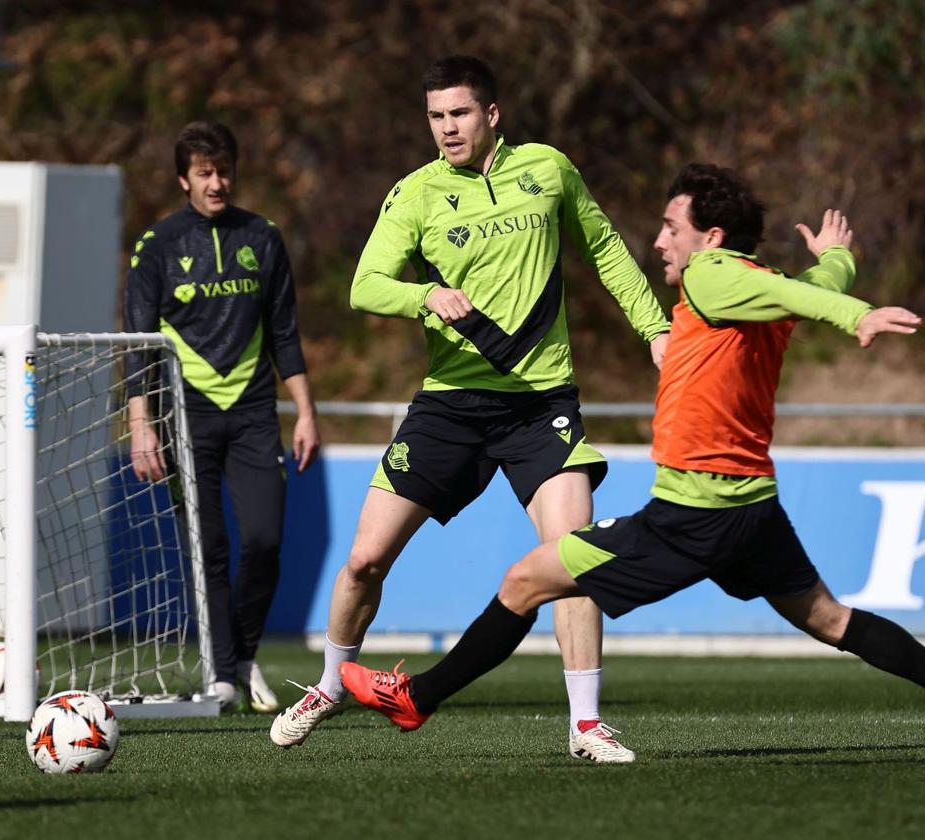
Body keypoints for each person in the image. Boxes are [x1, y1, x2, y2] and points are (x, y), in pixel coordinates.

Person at [339, 164, 925, 740]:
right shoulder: (762, 291)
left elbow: (815, 299)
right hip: (752, 507)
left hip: (691, 514)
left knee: (524, 579)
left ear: (712, 238)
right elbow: (811, 289)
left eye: (672, 228)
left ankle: (416, 698)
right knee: (831, 620)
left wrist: (856, 316)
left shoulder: (712, 275)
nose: (659, 242)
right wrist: (838, 259)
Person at [270, 55, 669, 762]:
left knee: (572, 557)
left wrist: (655, 328)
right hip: (451, 407)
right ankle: (331, 684)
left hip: (540, 403)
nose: (446, 129)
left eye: (458, 114)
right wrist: (424, 295)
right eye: (435, 116)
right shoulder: (417, 194)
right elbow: (366, 285)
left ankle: (585, 725)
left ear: (491, 115)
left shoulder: (548, 169)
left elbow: (605, 248)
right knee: (364, 560)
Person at [124, 121, 320, 712]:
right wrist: (141, 425)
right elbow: (137, 342)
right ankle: (222, 674)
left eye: (224, 170)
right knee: (206, 546)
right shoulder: (157, 244)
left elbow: (285, 331)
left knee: (264, 540)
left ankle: (243, 656)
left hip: (255, 411)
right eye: (205, 173)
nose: (217, 182)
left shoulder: (262, 236)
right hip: (186, 415)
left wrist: (306, 411)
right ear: (184, 178)